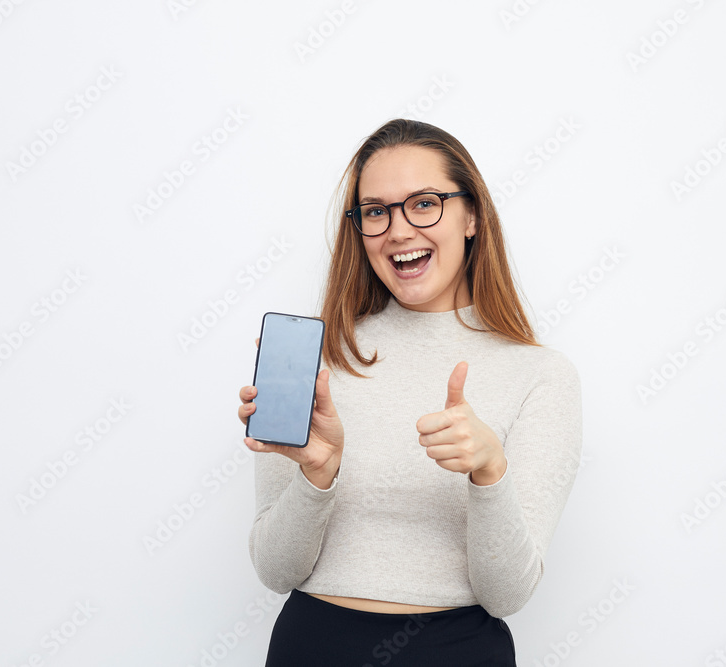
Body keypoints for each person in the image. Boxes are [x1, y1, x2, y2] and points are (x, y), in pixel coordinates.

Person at [237, 118, 583, 666]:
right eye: (376, 211)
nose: (398, 230)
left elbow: (507, 594)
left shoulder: (540, 375)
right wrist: (316, 474)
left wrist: (490, 472)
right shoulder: (317, 360)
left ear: (471, 216)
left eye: (424, 203)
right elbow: (276, 572)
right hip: (312, 647)